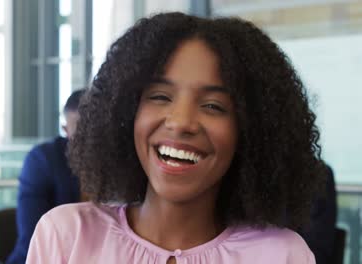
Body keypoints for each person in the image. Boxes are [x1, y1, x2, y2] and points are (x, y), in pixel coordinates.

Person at [26, 13, 327, 264]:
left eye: (213, 106)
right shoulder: (66, 235)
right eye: (160, 96)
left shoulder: (282, 255)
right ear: (127, 112)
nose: (181, 122)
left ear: (251, 130)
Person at [6, 89, 85, 264]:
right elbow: (32, 240)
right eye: (80, 130)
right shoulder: (42, 161)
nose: (89, 137)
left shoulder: (118, 164)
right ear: (66, 130)